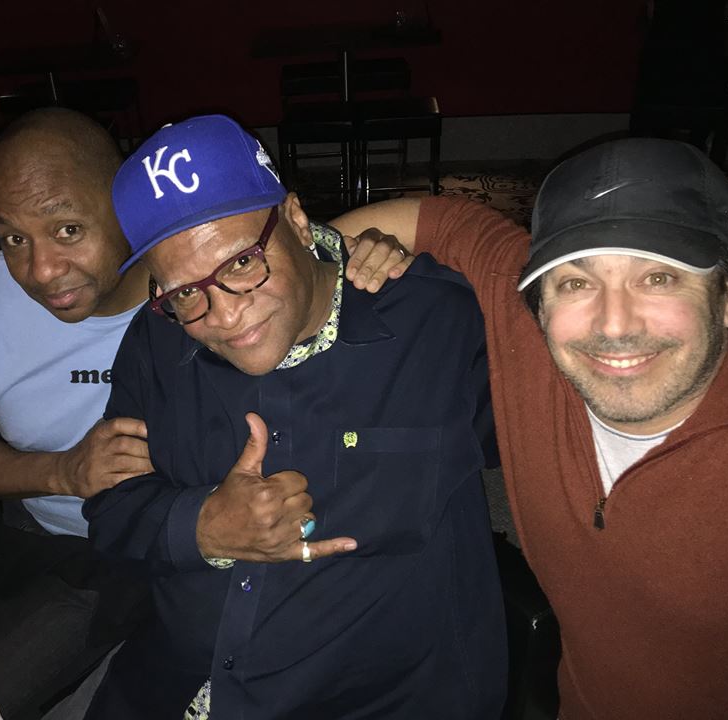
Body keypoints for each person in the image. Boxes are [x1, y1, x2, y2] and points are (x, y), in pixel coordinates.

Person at [83, 114, 506, 719]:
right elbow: (112, 512)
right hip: (176, 682)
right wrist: (203, 526)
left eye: (240, 263)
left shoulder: (433, 322)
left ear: (297, 220)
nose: (224, 316)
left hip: (370, 700)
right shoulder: (156, 340)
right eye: (185, 291)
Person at [332, 137, 728, 720]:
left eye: (658, 278)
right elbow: (445, 221)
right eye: (576, 282)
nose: (614, 325)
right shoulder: (531, 328)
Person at [0, 108, 154, 717]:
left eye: (67, 228)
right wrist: (63, 472)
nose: (41, 271)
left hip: (114, 553)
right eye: (14, 237)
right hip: (0, 509)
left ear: (125, 202)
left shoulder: (203, 294)